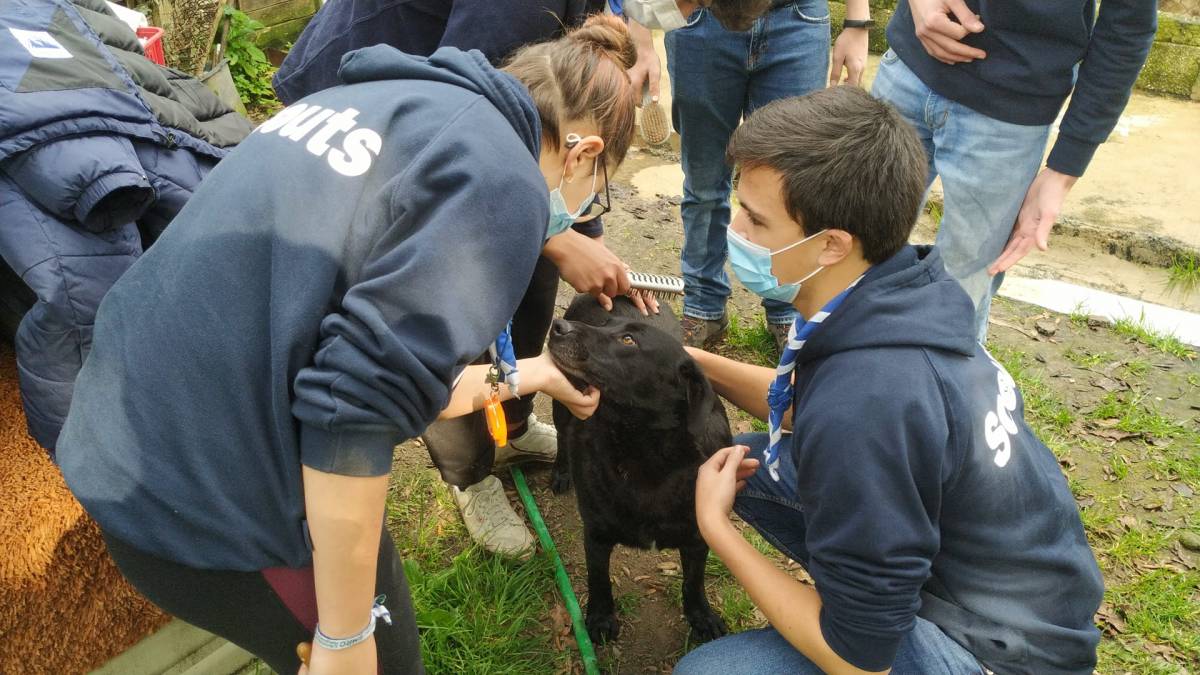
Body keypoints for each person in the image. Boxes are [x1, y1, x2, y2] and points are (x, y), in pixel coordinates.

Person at [56, 17, 638, 674]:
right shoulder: (504, 178)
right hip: (213, 488)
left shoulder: (379, 100)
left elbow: (378, 367)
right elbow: (351, 406)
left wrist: (538, 373)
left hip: (130, 428)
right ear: (584, 153)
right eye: (601, 184)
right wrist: (343, 634)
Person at [677, 87, 1104, 674]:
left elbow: (862, 663)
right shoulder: (903, 293)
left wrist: (715, 528)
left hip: (1000, 655)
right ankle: (876, 591)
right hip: (1019, 591)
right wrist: (691, 364)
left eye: (756, 218)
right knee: (751, 463)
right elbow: (805, 409)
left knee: (708, 673)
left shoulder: (871, 400)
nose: (737, 228)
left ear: (830, 244)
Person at [275, 0, 665, 558]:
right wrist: (552, 235)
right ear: (587, 154)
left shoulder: (536, 146)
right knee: (443, 324)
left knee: (524, 262)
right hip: (387, 126)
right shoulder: (470, 160)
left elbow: (550, 119)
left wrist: (586, 238)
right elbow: (374, 392)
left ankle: (512, 419)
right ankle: (470, 470)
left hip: (466, 132)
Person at [872, 0, 1157, 342]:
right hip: (908, 64)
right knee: (846, 248)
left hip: (1009, 116)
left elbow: (1128, 25)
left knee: (958, 297)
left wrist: (1065, 168)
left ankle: (935, 393)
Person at [664, 0, 871, 352]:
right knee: (703, 182)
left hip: (796, 17)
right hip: (700, 18)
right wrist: (639, 32)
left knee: (793, 187)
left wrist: (857, 22)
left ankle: (788, 310)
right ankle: (703, 306)